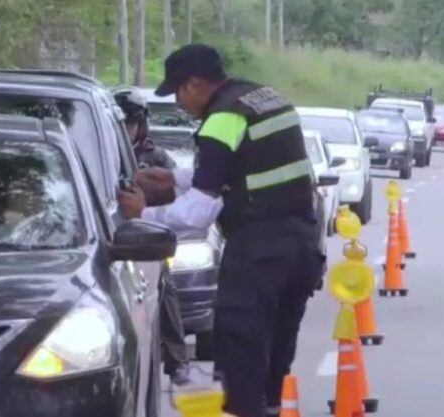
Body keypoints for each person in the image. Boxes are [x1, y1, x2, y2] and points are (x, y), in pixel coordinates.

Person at [116, 44, 324, 417]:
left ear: (195, 83)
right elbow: (248, 168)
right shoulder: (264, 98)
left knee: (240, 360)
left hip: (258, 255)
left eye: (177, 91)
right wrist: (175, 177)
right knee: (276, 357)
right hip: (302, 249)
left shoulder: (222, 119)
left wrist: (143, 211)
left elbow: (200, 212)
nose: (179, 103)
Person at [114, 87, 191, 387]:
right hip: (109, 235)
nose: (128, 131)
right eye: (123, 125)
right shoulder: (100, 151)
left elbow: (179, 196)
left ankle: (177, 362)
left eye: (132, 124)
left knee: (164, 284)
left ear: (141, 124)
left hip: (145, 238)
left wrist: (151, 204)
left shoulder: (156, 157)